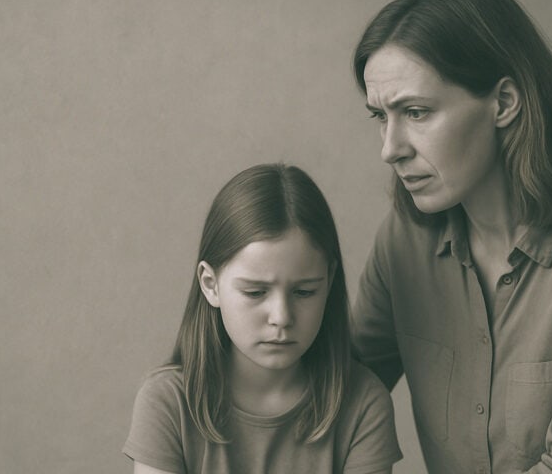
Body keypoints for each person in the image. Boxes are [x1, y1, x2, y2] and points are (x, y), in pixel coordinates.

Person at [350, 0, 552, 474]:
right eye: (381, 117)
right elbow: (331, 397)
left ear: (505, 103)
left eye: (416, 112)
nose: (390, 149)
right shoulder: (404, 240)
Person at [123, 163, 402, 474]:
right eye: (255, 293)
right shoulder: (167, 401)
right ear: (210, 285)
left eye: (304, 292)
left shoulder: (364, 404)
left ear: (329, 280)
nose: (281, 317)